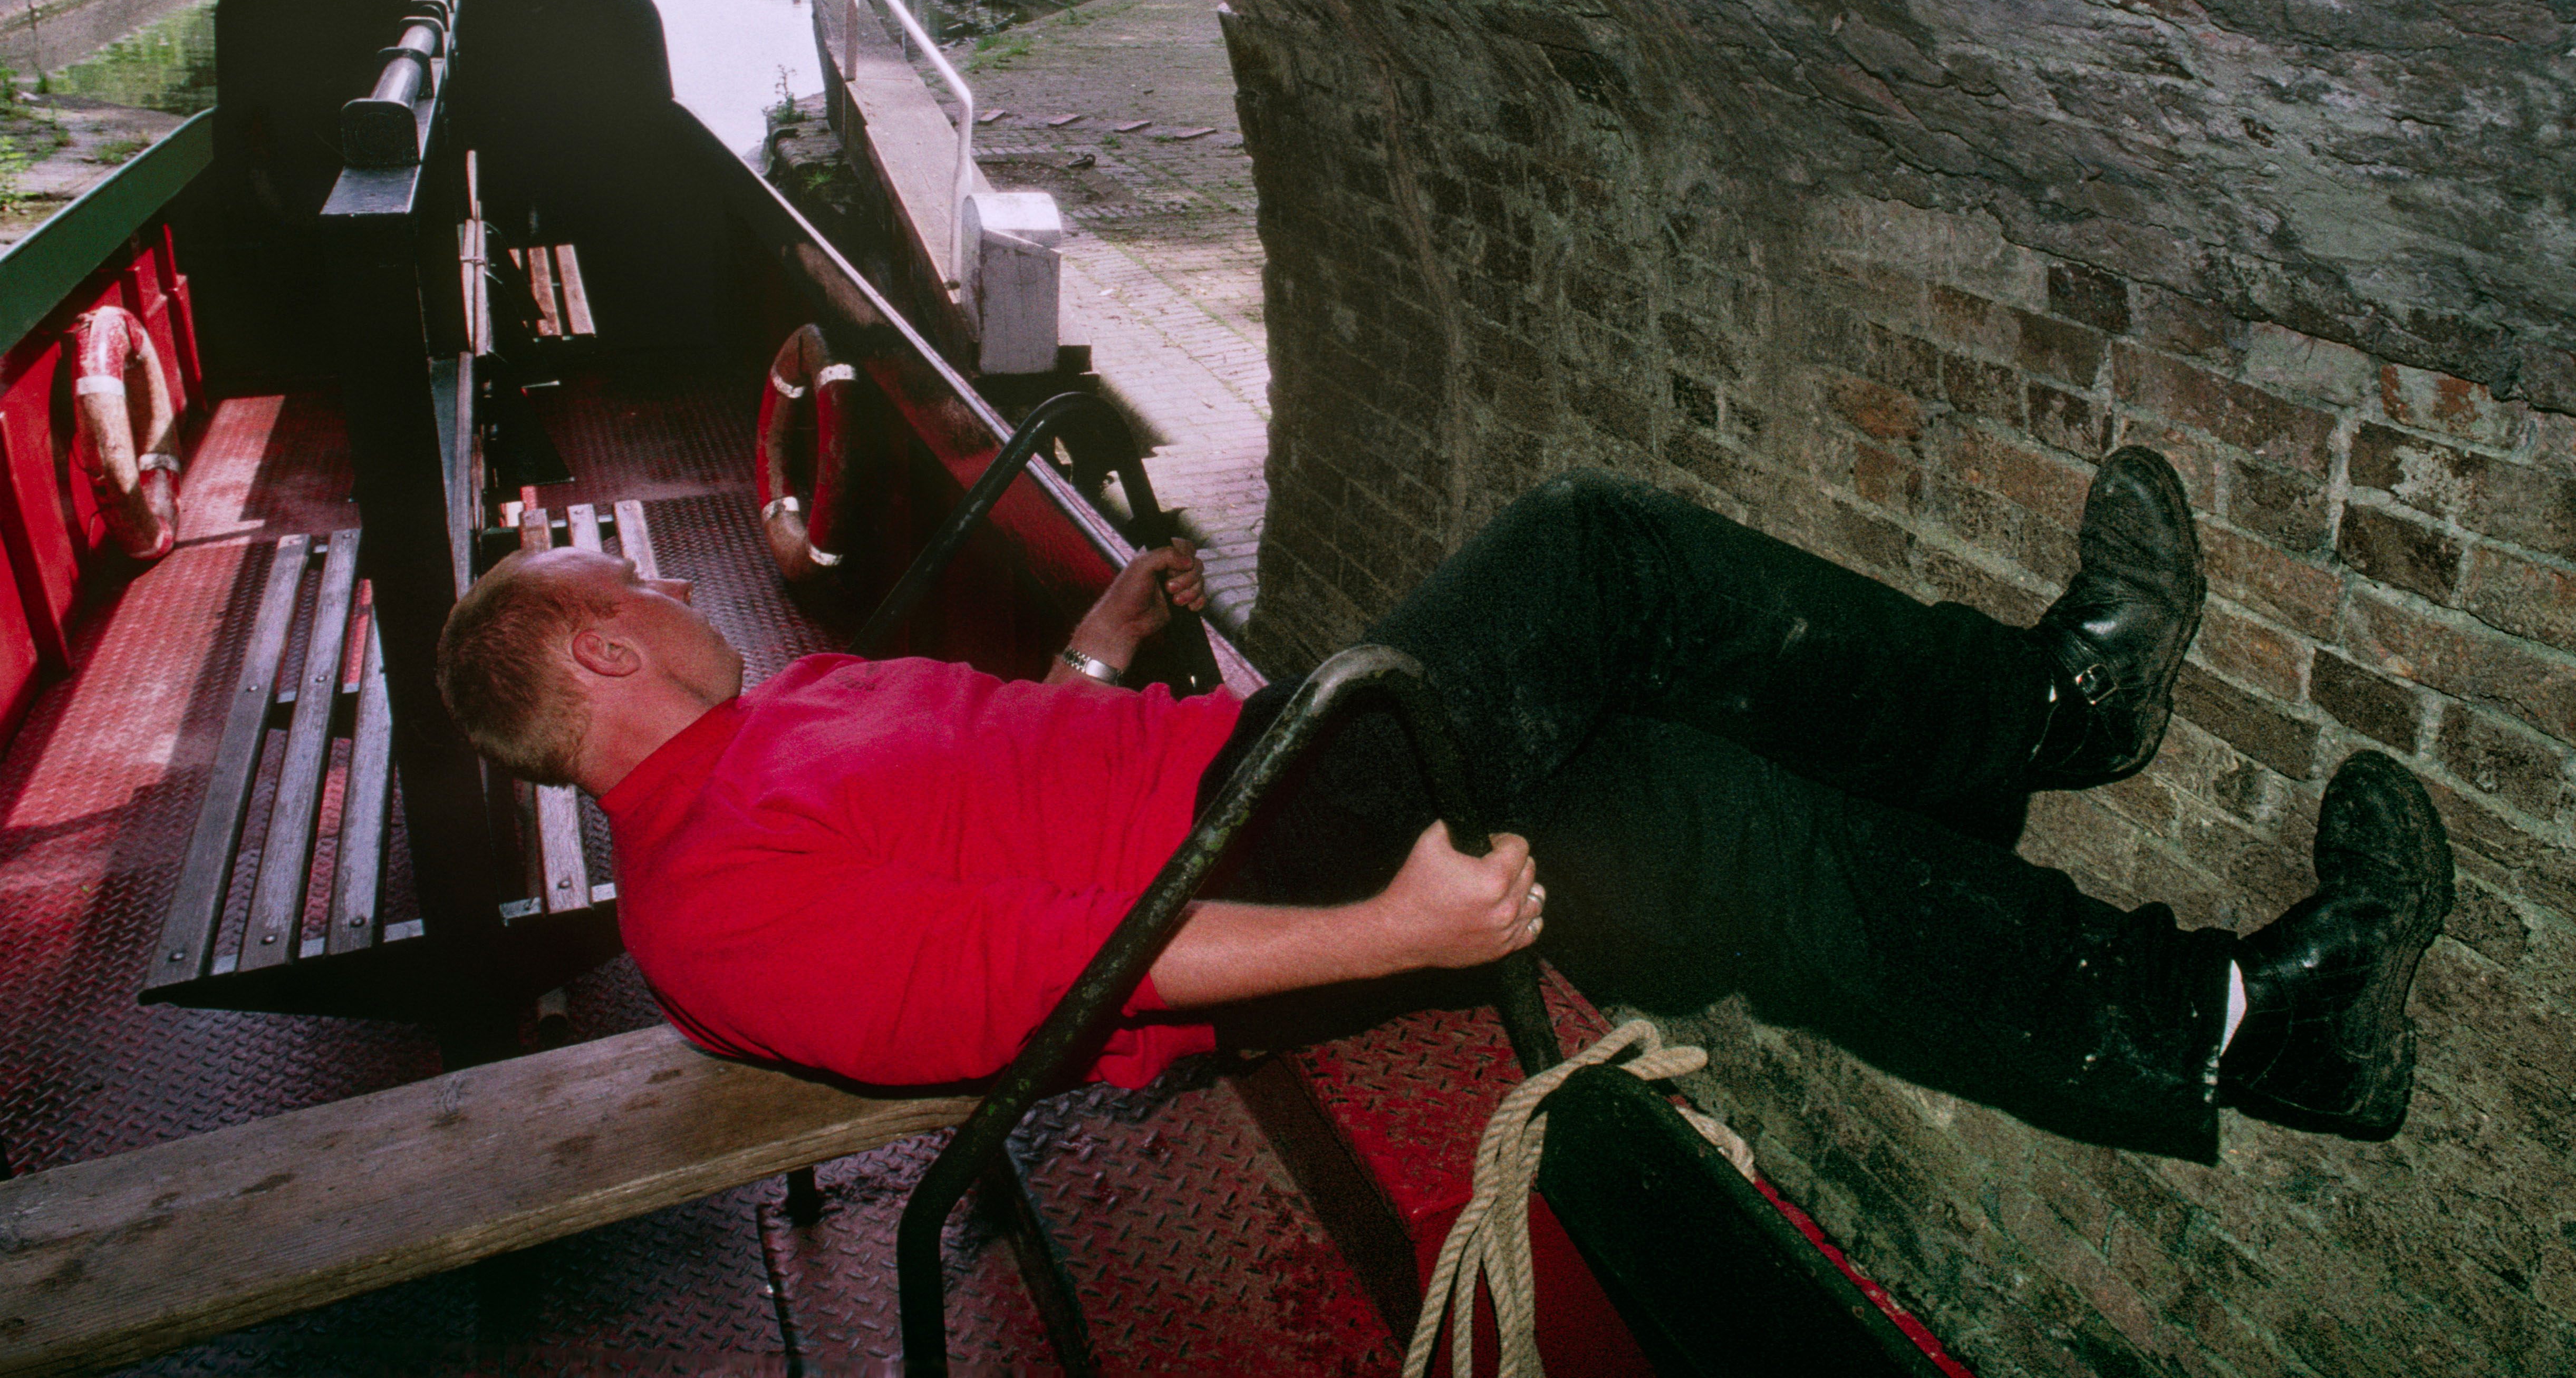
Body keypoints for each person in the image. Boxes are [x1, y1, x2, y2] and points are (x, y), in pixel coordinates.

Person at [435, 450, 2452, 1161]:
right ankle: (2051, 709)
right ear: (595, 658)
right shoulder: (702, 902)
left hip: (1221, 784)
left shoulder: (785, 716)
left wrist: (1097, 649)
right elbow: (1033, 983)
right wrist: (1396, 936)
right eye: (630, 595)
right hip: (1246, 864)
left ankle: (2254, 1030)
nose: (664, 593)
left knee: (1711, 837)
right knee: (1590, 558)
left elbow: (981, 793)